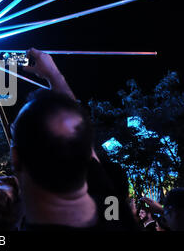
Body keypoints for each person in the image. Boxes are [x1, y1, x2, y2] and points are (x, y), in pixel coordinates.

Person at [10, 48, 137, 231]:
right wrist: (54, 75)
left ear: (15, 157)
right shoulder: (112, 210)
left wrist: (53, 75)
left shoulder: (112, 208)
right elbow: (79, 135)